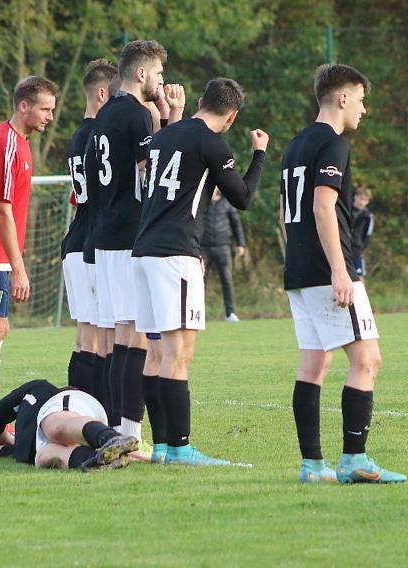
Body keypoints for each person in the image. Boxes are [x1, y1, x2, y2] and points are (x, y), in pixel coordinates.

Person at [132, 78, 269, 465]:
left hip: (144, 252)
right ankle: (180, 447)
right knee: (179, 352)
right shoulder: (212, 141)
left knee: (155, 352)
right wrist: (259, 154)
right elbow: (242, 197)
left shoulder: (164, 136)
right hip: (175, 254)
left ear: (199, 101)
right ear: (232, 116)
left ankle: (160, 446)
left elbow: (192, 190)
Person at [280, 64, 405, 483]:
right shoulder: (332, 145)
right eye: (362, 100)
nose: (364, 110)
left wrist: (298, 260)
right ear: (343, 98)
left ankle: (313, 465)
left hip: (299, 270)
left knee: (314, 364)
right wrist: (340, 270)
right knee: (368, 359)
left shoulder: (295, 146)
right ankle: (354, 458)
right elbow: (321, 207)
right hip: (326, 270)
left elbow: (286, 215)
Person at [91, 39, 184, 445]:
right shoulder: (136, 114)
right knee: (134, 337)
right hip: (130, 233)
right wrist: (171, 118)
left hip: (105, 232)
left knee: (120, 334)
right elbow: (157, 171)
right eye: (159, 74)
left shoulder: (105, 114)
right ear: (141, 73)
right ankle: (128, 430)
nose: (162, 82)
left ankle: (117, 426)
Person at [0, 76, 58, 436]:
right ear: (23, 105)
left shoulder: (18, 143)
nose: (50, 116)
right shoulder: (7, 143)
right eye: (45, 108)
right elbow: (2, 209)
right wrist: (18, 268)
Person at [60, 59, 117, 399]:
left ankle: (74, 408)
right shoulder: (100, 136)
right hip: (93, 244)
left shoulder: (78, 136)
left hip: (75, 241)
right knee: (101, 335)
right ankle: (95, 413)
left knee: (85, 334)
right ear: (101, 93)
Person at [0, 379, 138, 471]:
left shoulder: (42, 390)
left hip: (70, 406)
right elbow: (7, 450)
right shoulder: (26, 450)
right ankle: (99, 460)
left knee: (54, 428)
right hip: (82, 425)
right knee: (43, 457)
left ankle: (109, 438)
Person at [200, 187, 247, 322]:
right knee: (200, 281)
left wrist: (241, 244)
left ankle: (230, 313)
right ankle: (199, 314)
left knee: (227, 280)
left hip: (224, 247)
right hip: (204, 248)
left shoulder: (227, 203)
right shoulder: (202, 202)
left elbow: (236, 224)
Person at [351, 186, 374, 279]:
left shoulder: (368, 216)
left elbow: (367, 234)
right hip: (342, 247)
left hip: (357, 250)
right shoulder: (345, 210)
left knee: (359, 276)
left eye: (365, 200)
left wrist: (361, 248)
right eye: (360, 199)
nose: (362, 202)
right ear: (355, 197)